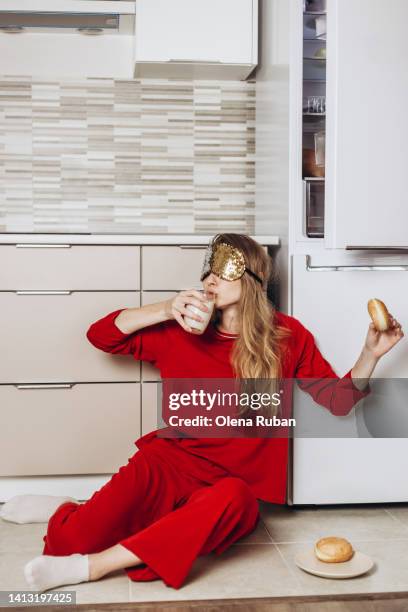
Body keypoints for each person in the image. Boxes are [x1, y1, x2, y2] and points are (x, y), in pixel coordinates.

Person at [1, 233, 403, 593]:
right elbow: (101, 336)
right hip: (170, 463)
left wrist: (370, 355)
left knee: (235, 501)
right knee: (66, 542)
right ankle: (69, 506)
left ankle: (93, 567)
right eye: (208, 271)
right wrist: (165, 308)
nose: (210, 279)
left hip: (229, 487)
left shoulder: (288, 336)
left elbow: (339, 401)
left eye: (223, 273)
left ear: (251, 282)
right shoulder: (179, 330)